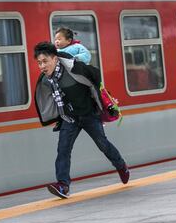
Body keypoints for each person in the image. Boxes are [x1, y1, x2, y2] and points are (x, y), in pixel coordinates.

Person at [34, 41, 130, 199]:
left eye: (45, 61)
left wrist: (105, 101)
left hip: (88, 114)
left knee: (103, 144)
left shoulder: (74, 69)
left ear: (55, 59)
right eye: (39, 63)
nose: (42, 66)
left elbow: (95, 80)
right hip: (69, 118)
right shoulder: (46, 81)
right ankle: (63, 185)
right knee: (63, 150)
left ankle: (121, 166)